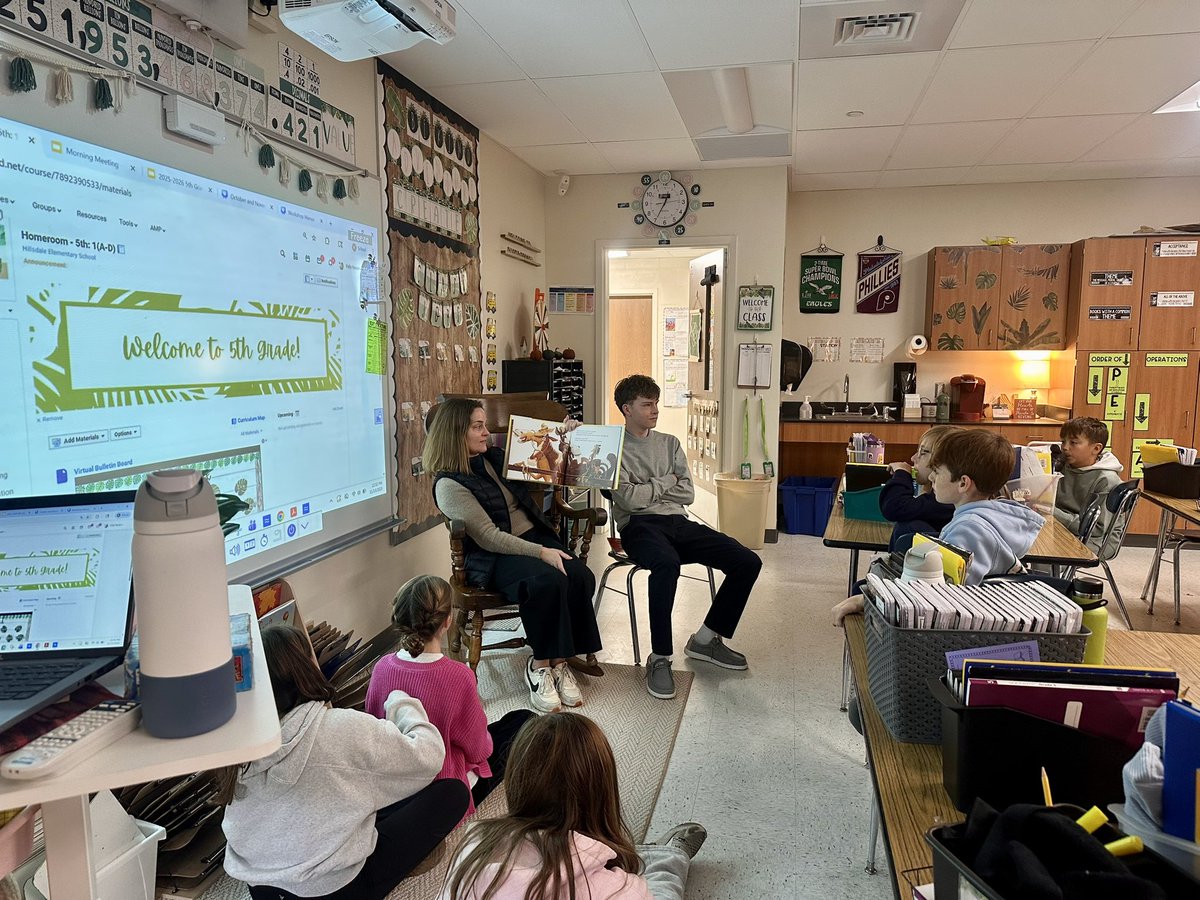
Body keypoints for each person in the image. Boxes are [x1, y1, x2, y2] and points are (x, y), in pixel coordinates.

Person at [219, 625, 469, 900]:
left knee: (359, 789)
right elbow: (428, 757)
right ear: (306, 666)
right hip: (333, 890)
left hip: (261, 888)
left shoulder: (239, 740)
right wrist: (402, 702)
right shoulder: (341, 727)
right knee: (452, 792)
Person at [424, 398, 602, 714]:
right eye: (477, 426)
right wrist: (543, 552)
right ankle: (539, 667)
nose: (487, 432)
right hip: (492, 556)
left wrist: (570, 436)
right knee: (547, 581)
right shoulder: (449, 484)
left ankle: (559, 661)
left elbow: (555, 463)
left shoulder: (493, 457)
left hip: (531, 538)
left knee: (579, 576)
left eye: (484, 424)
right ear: (456, 433)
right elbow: (490, 538)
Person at [438, 712, 707, 900]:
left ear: (517, 780)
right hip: (615, 880)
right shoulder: (620, 890)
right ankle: (670, 855)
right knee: (659, 884)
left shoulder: (473, 844)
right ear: (604, 792)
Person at [610, 374, 762, 701]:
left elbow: (688, 492)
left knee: (748, 561)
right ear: (627, 409)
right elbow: (629, 501)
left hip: (678, 522)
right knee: (666, 564)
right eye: (646, 404)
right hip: (638, 527)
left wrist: (648, 488)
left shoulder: (669, 443)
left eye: (656, 403)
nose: (655, 410)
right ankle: (660, 657)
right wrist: (665, 482)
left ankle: (705, 640)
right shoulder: (613, 447)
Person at [367, 574, 536, 818]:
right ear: (448, 621)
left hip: (395, 786)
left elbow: (373, 729)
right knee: (523, 720)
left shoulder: (382, 667)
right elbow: (479, 751)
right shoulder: (459, 675)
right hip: (445, 789)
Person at [834, 429, 1044, 624]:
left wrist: (866, 599)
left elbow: (942, 600)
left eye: (937, 471)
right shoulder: (985, 516)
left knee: (863, 591)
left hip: (971, 625)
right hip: (984, 610)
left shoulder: (969, 530)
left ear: (963, 483)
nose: (932, 477)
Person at [879, 424, 960, 552]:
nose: (913, 458)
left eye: (923, 452)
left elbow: (895, 507)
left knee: (909, 528)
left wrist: (902, 473)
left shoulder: (947, 501)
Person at [1053, 416, 1124, 547]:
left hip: (1094, 539)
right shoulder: (1062, 465)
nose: (1065, 447)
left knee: (1042, 545)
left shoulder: (1106, 480)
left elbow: (1096, 529)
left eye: (1073, 443)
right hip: (1062, 526)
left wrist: (1052, 512)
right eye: (1063, 442)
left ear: (1096, 449)